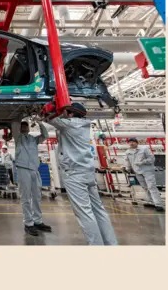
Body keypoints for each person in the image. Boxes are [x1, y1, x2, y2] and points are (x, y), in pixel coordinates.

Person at [46, 103, 118, 246]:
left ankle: (96, 246)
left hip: (74, 175)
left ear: (71, 114)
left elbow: (48, 118)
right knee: (99, 210)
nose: (64, 114)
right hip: (87, 172)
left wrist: (52, 106)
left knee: (84, 213)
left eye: (65, 112)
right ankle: (111, 244)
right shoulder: (84, 125)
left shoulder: (69, 124)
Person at [11, 118, 53, 236]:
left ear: (29, 128)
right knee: (25, 197)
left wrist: (39, 122)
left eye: (26, 126)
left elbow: (45, 135)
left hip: (35, 169)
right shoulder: (18, 138)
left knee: (37, 196)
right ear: (19, 129)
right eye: (22, 126)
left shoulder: (33, 139)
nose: (24, 128)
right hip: (23, 169)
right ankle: (28, 223)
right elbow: (14, 124)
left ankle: (37, 221)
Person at [124, 138, 165, 212]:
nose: (131, 143)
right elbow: (127, 161)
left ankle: (159, 204)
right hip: (137, 172)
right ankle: (151, 202)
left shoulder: (144, 149)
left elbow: (152, 159)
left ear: (136, 143)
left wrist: (143, 162)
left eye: (133, 142)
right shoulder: (128, 152)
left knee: (151, 187)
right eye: (130, 142)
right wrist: (127, 168)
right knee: (145, 187)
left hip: (147, 171)